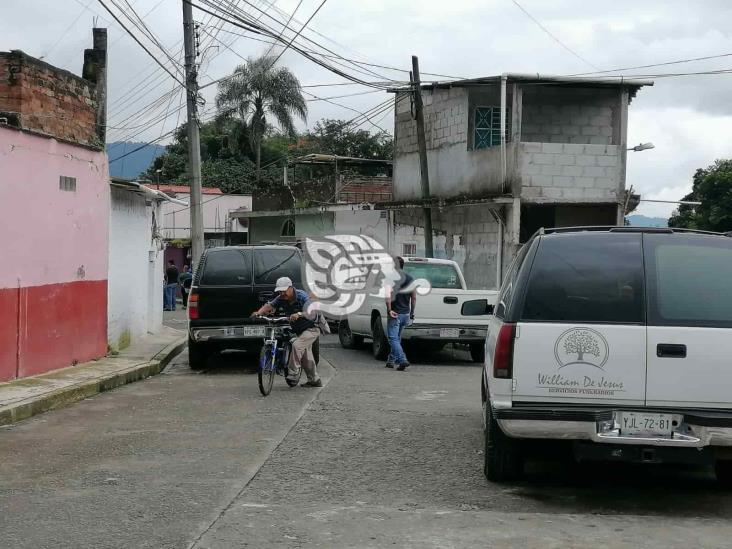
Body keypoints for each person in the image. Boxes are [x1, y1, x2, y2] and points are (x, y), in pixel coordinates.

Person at [252, 277, 322, 387]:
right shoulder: (281, 298)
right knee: (305, 356)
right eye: (280, 291)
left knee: (297, 345)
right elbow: (270, 305)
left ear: (291, 288)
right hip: (300, 330)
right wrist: (258, 312)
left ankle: (293, 374)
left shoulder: (302, 296)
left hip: (312, 328)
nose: (282, 293)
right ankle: (315, 380)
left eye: (284, 290)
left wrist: (299, 314)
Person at [385, 257, 417, 371]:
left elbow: (388, 297)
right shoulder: (411, 279)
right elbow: (413, 298)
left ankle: (402, 359)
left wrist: (389, 310)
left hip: (395, 313)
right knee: (397, 338)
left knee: (393, 338)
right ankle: (391, 360)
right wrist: (412, 313)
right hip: (405, 313)